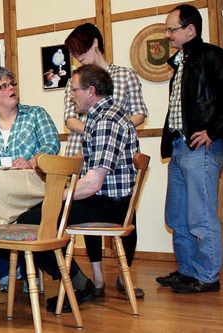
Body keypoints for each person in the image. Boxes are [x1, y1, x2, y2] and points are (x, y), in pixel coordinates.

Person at [156, 4, 223, 294]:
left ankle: (207, 276)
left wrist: (212, 130)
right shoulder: (181, 62)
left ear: (190, 29)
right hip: (180, 146)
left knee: (200, 216)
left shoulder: (211, 56)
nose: (168, 35)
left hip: (201, 148)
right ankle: (187, 271)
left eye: (172, 29)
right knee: (178, 215)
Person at [39, 64, 140, 313]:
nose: (71, 95)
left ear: (90, 91)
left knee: (35, 221)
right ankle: (76, 281)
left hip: (108, 205)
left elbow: (93, 184)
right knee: (39, 215)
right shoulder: (104, 117)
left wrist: (54, 197)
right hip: (111, 202)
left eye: (74, 90)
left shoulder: (106, 121)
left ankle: (79, 285)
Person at [63, 23, 149, 298]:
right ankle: (97, 277)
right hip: (84, 149)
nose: (78, 58)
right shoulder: (75, 80)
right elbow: (69, 118)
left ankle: (123, 275)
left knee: (114, 205)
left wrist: (111, 129)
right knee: (88, 204)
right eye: (74, 54)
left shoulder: (124, 76)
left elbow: (139, 113)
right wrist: (93, 129)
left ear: (96, 44)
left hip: (115, 148)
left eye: (81, 51)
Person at [0, 66, 61, 292]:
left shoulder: (35, 115)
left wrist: (33, 160)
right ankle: (3, 272)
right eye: (3, 86)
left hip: (33, 194)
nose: (11, 87)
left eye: (11, 83)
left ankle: (20, 268)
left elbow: (51, 145)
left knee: (21, 217)